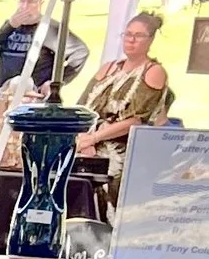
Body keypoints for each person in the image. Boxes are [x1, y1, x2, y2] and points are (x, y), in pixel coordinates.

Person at [76, 11, 177, 191]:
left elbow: (136, 120)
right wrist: (83, 140)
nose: (131, 40)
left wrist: (94, 138)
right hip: (88, 143)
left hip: (123, 151)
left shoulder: (153, 71)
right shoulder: (109, 68)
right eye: (128, 34)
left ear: (150, 40)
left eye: (138, 36)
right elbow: (83, 107)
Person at [0, 0, 89, 89]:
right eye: (22, 1)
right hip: (5, 95)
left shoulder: (49, 27)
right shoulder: (9, 26)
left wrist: (55, 83)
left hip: (34, 97)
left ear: (41, 2)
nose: (25, 6)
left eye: (31, 2)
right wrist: (9, 27)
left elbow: (80, 52)